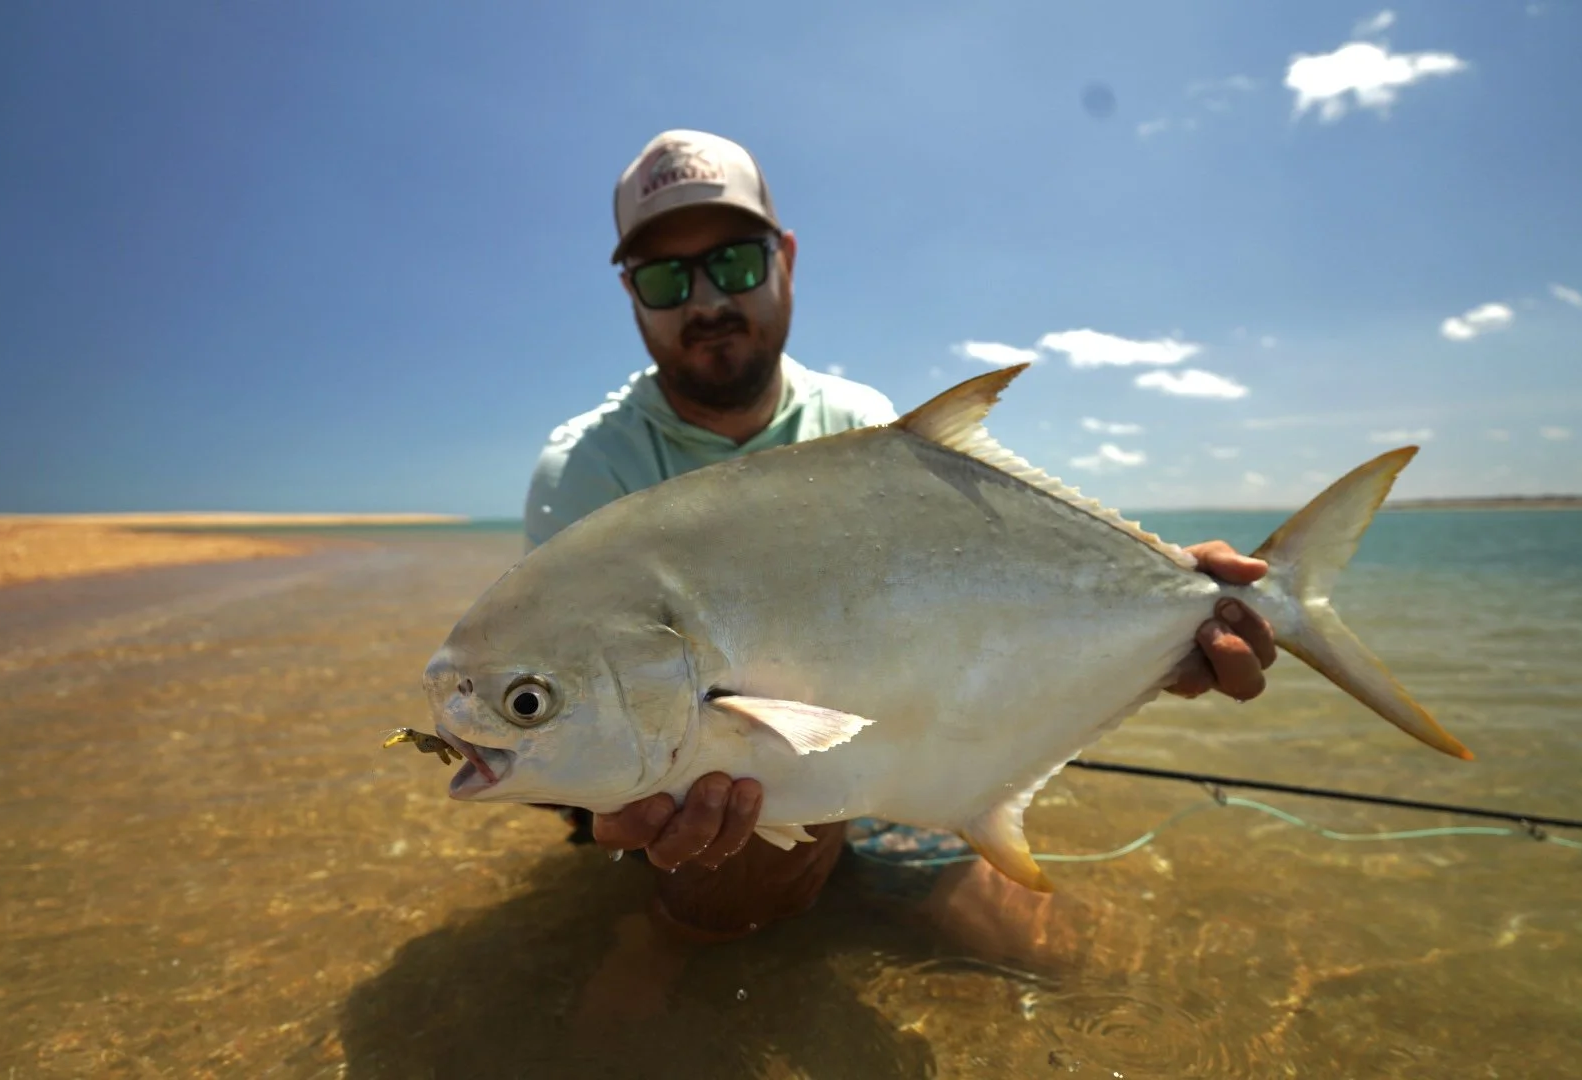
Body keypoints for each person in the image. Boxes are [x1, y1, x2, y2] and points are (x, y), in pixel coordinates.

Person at [523, 129, 1278, 958]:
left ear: (787, 260)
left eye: (734, 264)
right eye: (666, 278)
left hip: (871, 766)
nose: (705, 303)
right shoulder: (591, 465)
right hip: (684, 798)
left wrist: (1160, 621)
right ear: (631, 294)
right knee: (704, 933)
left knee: (1044, 956)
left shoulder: (859, 426)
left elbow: (966, 628)